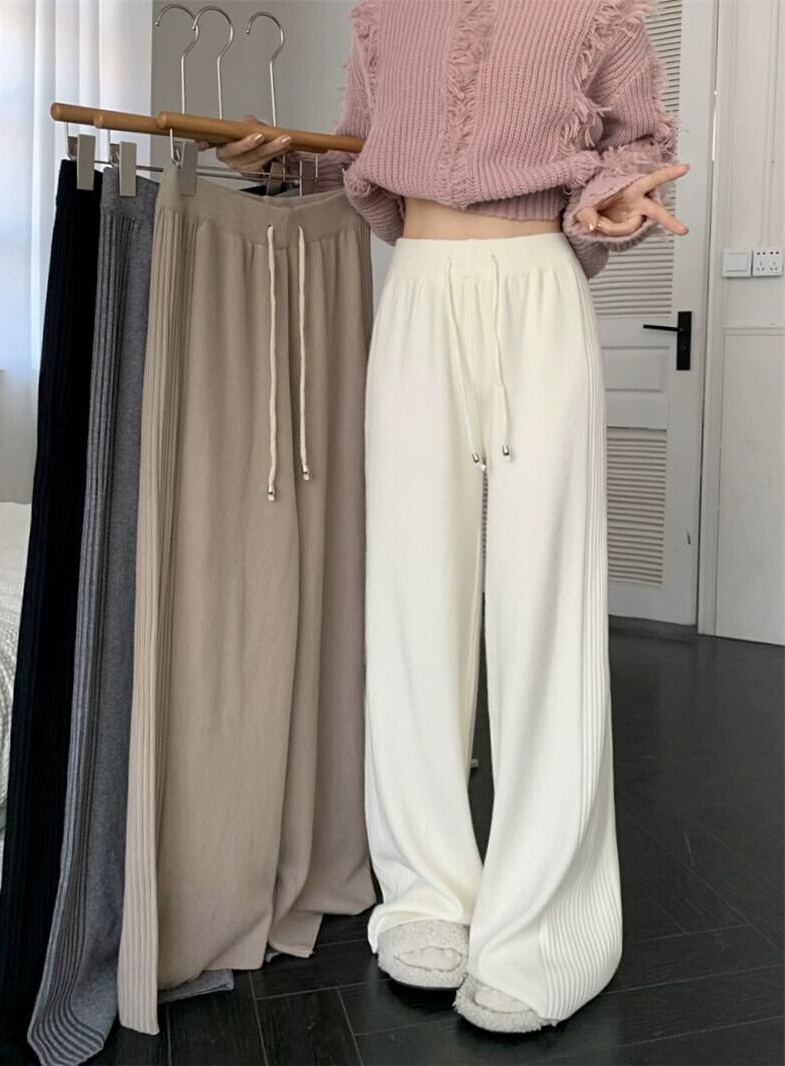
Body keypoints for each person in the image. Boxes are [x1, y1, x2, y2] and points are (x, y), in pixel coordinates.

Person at [204, 0, 688, 1036]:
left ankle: (550, 927)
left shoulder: (599, 10)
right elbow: (363, 152)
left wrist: (612, 198)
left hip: (537, 290)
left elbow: (637, 146)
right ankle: (426, 893)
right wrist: (285, 156)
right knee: (411, 605)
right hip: (417, 291)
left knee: (542, 613)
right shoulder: (383, 14)